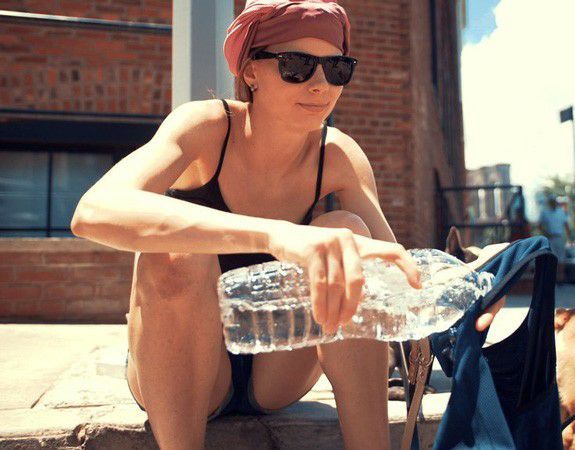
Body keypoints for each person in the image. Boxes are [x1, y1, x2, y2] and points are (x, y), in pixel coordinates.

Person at [70, 1, 503, 449]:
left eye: (336, 68)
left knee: (348, 234)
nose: (320, 84)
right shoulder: (206, 127)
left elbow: (397, 281)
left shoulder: (337, 155)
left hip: (276, 373)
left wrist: (471, 290)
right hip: (182, 369)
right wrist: (277, 235)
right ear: (251, 71)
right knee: (175, 252)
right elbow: (94, 210)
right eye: (296, 65)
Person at [537, 195, 571, 283]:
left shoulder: (561, 212)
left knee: (561, 258)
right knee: (552, 257)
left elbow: (566, 225)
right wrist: (546, 233)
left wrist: (569, 238)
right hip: (550, 238)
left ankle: (561, 277)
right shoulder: (545, 212)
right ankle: (554, 277)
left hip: (559, 237)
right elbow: (539, 225)